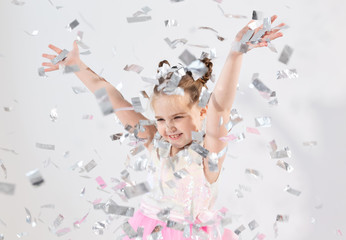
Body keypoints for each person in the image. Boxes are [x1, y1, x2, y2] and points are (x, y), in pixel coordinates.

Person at [42, 15, 284, 240]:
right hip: (148, 230)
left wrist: (236, 53)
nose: (168, 127)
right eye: (160, 119)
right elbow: (115, 100)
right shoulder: (155, 143)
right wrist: (76, 65)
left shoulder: (208, 155)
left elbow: (220, 108)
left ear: (201, 113)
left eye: (178, 117)